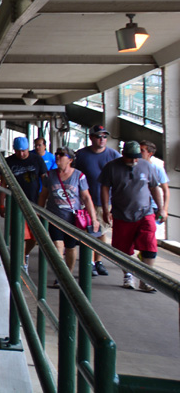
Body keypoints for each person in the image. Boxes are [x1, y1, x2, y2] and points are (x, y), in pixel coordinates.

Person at [100, 141, 164, 292]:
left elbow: (154, 187)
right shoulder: (111, 167)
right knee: (123, 249)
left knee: (150, 246)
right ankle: (128, 274)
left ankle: (146, 279)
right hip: (122, 214)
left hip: (145, 212)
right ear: (123, 155)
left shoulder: (146, 166)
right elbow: (105, 188)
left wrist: (161, 208)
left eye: (137, 157)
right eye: (131, 157)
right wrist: (105, 209)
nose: (134, 160)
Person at [38, 147, 100, 271]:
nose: (58, 156)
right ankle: (61, 273)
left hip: (72, 219)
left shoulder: (79, 176)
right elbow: (43, 195)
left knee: (70, 247)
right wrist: (39, 212)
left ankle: (68, 273)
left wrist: (94, 219)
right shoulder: (49, 175)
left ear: (70, 160)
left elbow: (86, 198)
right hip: (54, 217)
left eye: (62, 155)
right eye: (57, 154)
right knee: (57, 244)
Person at [73, 125, 120, 276]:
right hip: (85, 201)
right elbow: (73, 174)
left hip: (106, 202)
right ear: (91, 138)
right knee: (89, 232)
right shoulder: (81, 155)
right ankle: (90, 262)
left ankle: (98, 261)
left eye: (105, 136)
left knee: (102, 232)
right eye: (99, 136)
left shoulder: (113, 155)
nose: (102, 139)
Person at [5, 135, 46, 259]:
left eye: (24, 151)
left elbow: (45, 180)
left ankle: (25, 255)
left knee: (34, 236)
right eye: (18, 151)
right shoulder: (9, 161)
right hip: (16, 203)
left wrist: (44, 201)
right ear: (14, 150)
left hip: (34, 202)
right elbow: (3, 183)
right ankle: (21, 263)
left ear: (28, 149)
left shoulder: (37, 160)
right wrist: (1, 203)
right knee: (20, 234)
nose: (21, 154)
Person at [140, 140, 170, 242]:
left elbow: (166, 190)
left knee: (149, 233)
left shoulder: (157, 169)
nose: (139, 152)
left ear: (150, 153)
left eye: (142, 150)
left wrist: (164, 209)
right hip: (138, 205)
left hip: (152, 206)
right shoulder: (134, 167)